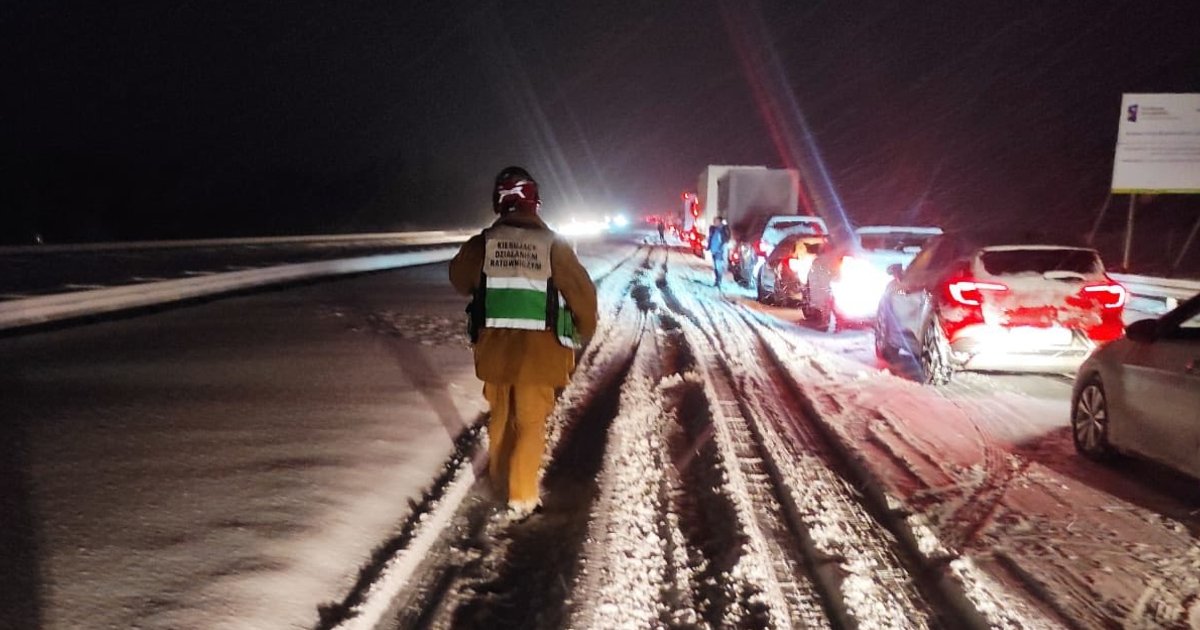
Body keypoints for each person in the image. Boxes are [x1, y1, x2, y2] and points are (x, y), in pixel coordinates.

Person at [449, 166, 598, 521]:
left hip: (495, 351)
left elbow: (459, 278)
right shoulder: (553, 246)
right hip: (541, 353)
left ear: (501, 200)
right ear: (533, 201)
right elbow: (583, 297)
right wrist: (583, 330)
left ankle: (501, 482)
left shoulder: (484, 242)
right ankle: (522, 495)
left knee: (500, 417)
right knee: (531, 423)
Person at [707, 216, 731, 288]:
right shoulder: (713, 229)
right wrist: (709, 246)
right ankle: (717, 280)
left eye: (716, 221)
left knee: (718, 266)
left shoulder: (723, 229)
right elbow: (710, 238)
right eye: (714, 221)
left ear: (720, 222)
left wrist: (725, 225)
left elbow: (727, 237)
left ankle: (719, 281)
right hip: (713, 250)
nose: (715, 222)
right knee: (715, 267)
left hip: (719, 251)